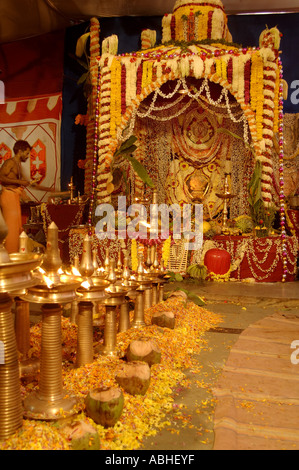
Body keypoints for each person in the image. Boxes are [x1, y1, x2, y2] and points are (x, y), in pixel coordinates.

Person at [0, 140, 33, 253]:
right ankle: (10, 256)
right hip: (8, 196)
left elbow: (18, 182)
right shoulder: (10, 162)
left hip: (13, 197)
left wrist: (24, 183)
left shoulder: (18, 165)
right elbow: (1, 177)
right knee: (11, 229)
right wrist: (20, 181)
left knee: (16, 228)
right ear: (20, 151)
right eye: (27, 153)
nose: (28, 156)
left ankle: (14, 254)